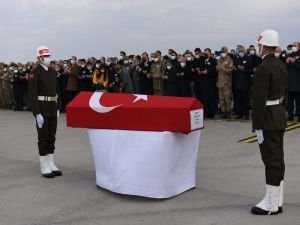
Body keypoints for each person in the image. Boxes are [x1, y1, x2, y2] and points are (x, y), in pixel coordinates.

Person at [251, 29, 288, 215]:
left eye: (259, 45)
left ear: (264, 45)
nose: (258, 47)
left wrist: (256, 124)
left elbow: (258, 99)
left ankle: (271, 205)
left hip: (267, 118)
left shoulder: (264, 67)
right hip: (278, 114)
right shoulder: (281, 65)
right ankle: (277, 200)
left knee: (271, 160)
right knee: (278, 158)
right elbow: (285, 93)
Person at [28, 45, 62, 178]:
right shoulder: (35, 72)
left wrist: (59, 107)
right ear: (39, 58)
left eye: (48, 56)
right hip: (42, 109)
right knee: (43, 137)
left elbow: (57, 90)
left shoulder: (52, 72)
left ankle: (51, 163)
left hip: (53, 107)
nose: (47, 58)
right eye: (45, 56)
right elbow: (32, 94)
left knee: (52, 136)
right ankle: (44, 166)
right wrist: (37, 113)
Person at [216, 47, 235, 119]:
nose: (222, 53)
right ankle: (223, 112)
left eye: (224, 52)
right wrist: (218, 68)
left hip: (227, 83)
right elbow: (217, 70)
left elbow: (230, 71)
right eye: (221, 52)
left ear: (227, 52)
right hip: (220, 82)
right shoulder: (219, 60)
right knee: (221, 99)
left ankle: (228, 112)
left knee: (227, 98)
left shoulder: (230, 60)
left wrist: (222, 68)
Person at [286, 42, 300, 122]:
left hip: (298, 83)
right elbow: (286, 67)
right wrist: (287, 62)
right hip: (290, 82)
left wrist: (294, 61)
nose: (293, 47)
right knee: (290, 102)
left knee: (298, 102)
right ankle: (290, 115)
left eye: (295, 45)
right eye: (293, 46)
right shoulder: (289, 55)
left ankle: (298, 115)